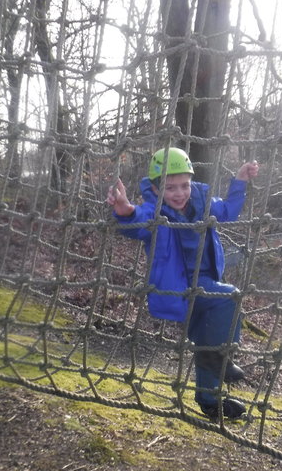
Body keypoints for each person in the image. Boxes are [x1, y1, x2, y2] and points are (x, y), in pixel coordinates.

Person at [106, 147, 259, 419]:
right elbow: (137, 223)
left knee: (208, 341)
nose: (179, 193)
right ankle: (223, 359)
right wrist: (125, 210)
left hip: (208, 283)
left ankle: (210, 401)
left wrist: (240, 181)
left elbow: (229, 211)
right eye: (170, 187)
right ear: (155, 189)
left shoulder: (201, 202)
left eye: (184, 185)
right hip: (179, 289)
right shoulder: (154, 212)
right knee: (231, 298)